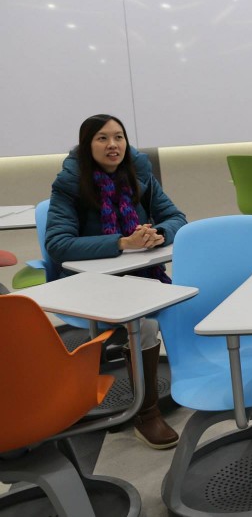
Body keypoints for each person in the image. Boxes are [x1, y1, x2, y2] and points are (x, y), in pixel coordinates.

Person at [46, 114, 186, 450]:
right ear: (87, 145)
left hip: (137, 274)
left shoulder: (139, 174)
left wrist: (158, 233)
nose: (113, 145)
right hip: (88, 282)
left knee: (181, 304)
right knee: (147, 324)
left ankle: (181, 379)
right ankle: (146, 414)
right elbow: (58, 244)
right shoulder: (70, 183)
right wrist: (122, 243)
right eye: (103, 138)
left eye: (119, 137)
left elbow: (176, 217)